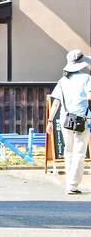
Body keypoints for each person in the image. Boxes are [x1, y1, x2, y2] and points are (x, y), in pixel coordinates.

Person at [46, 49, 91, 195]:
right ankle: (72, 185)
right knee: (79, 152)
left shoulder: (63, 81)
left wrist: (50, 120)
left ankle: (68, 183)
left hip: (65, 119)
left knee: (68, 151)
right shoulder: (87, 78)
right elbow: (89, 96)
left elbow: (56, 102)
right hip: (82, 119)